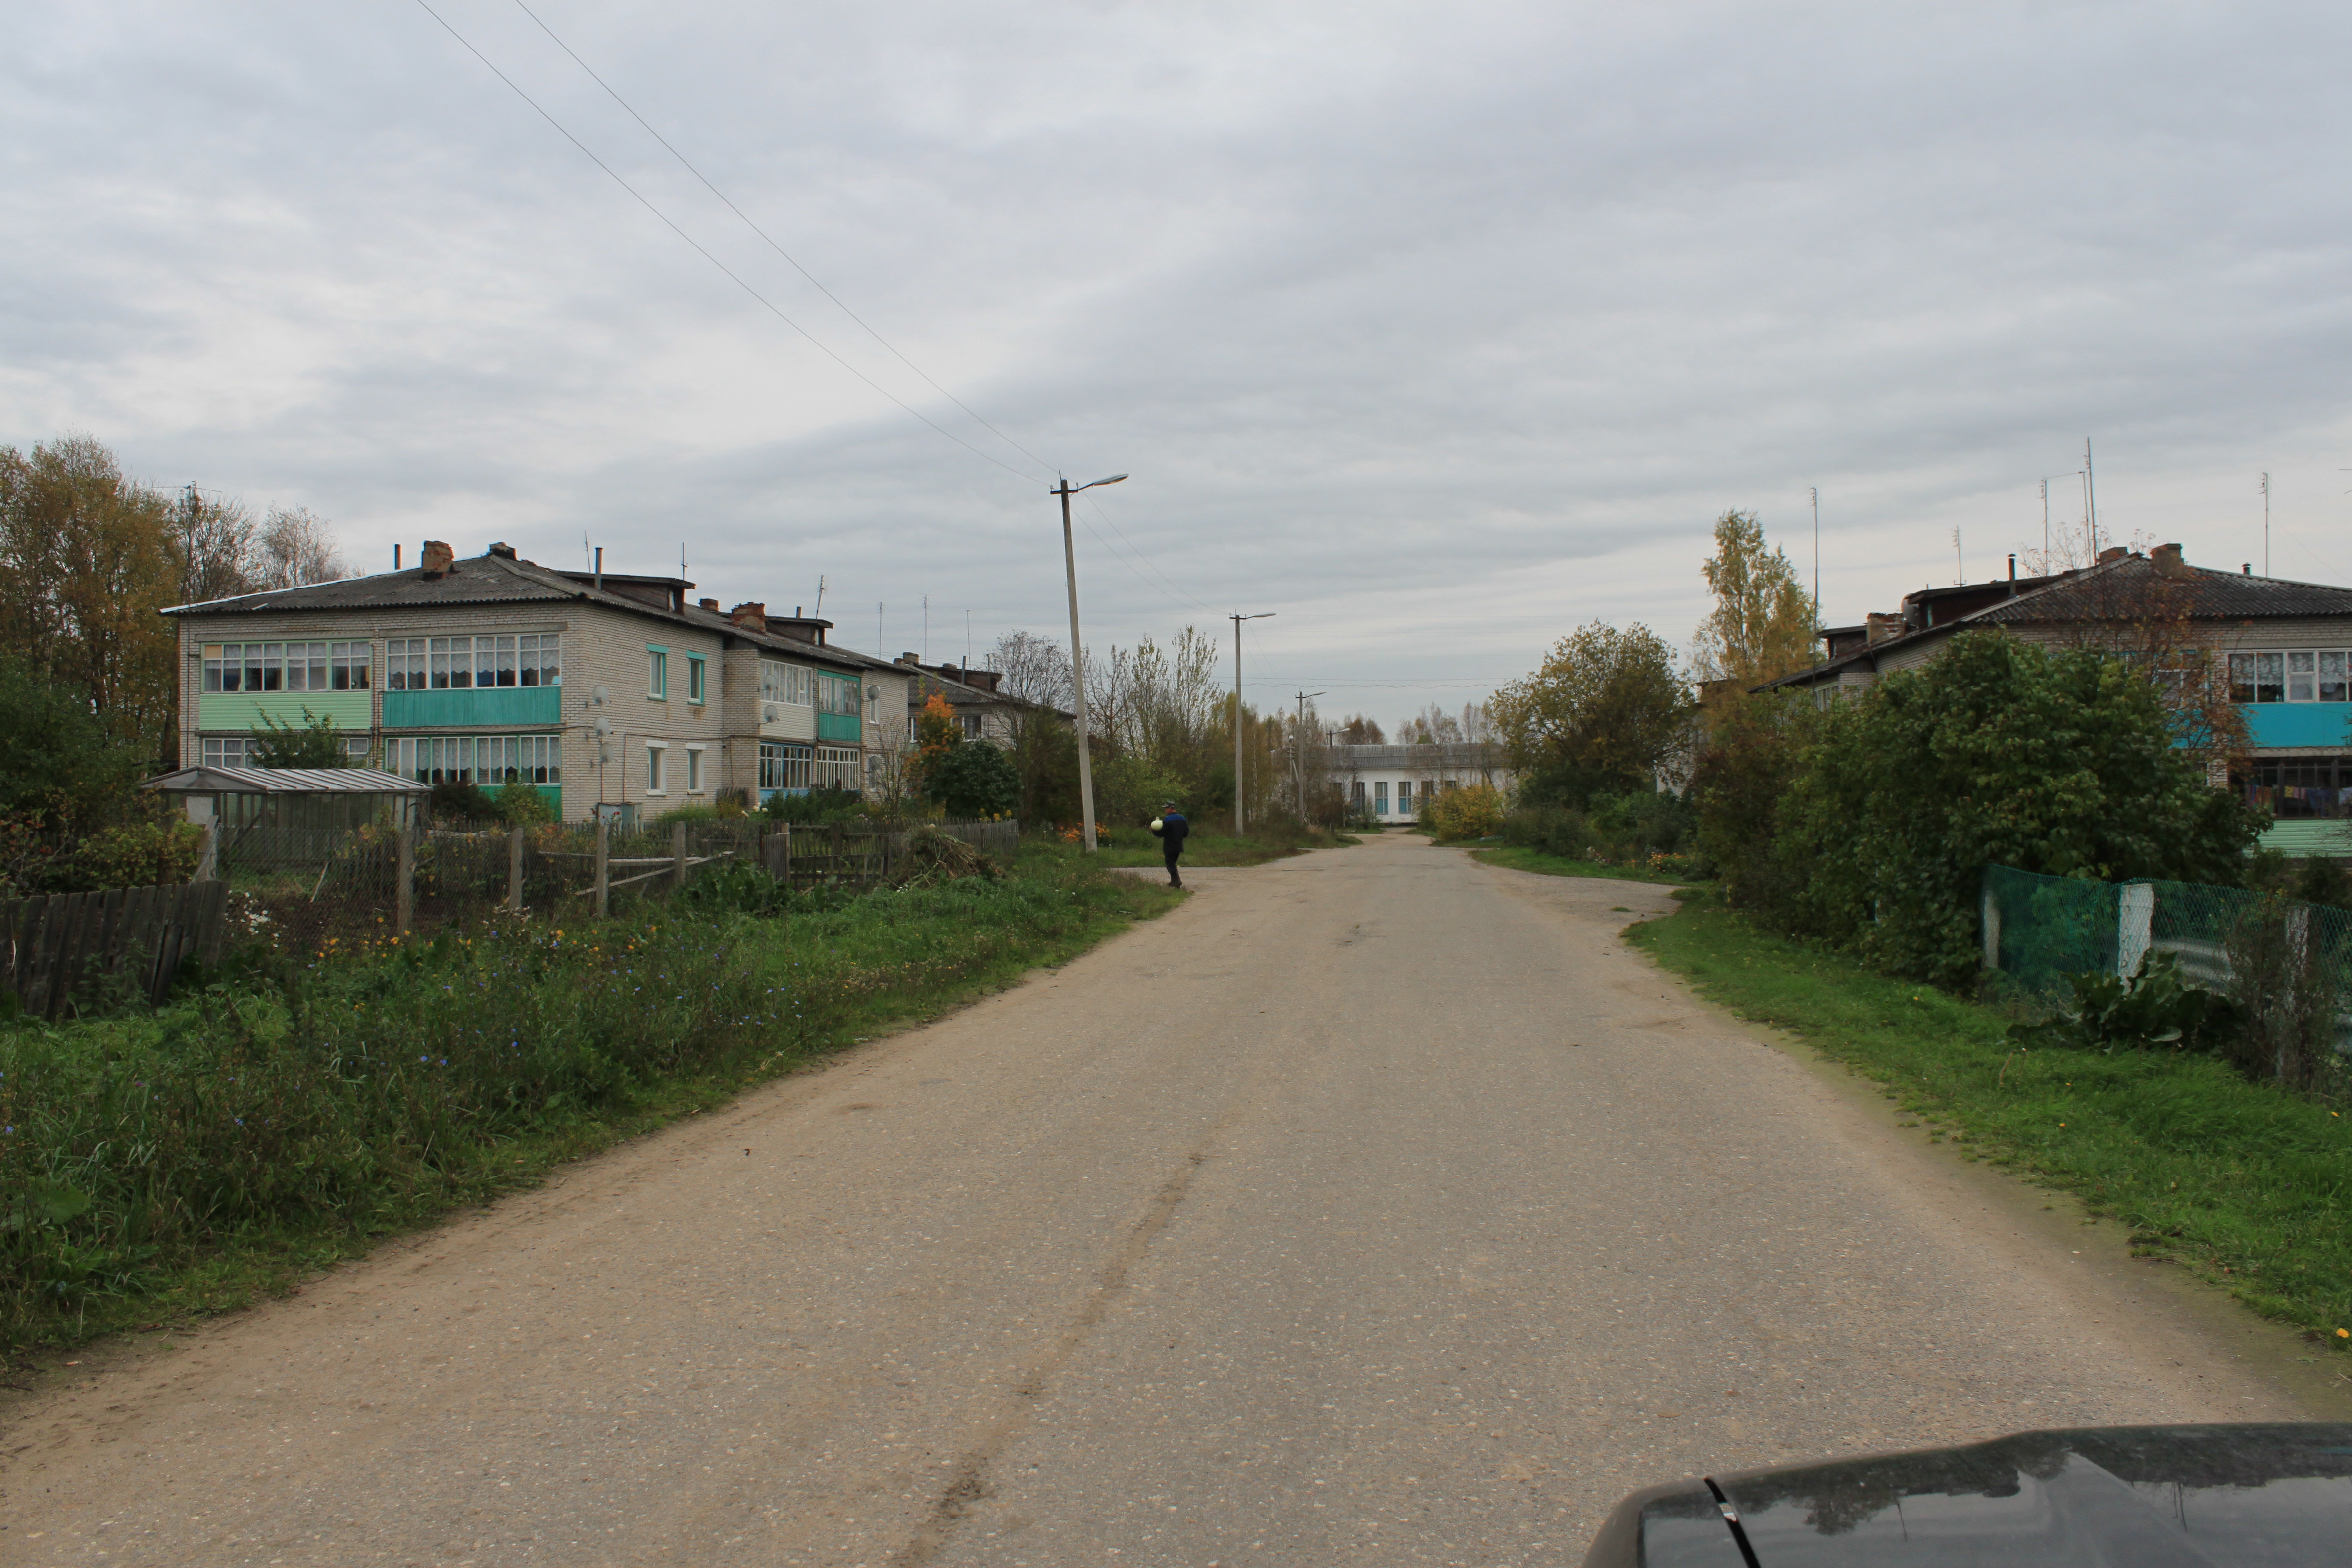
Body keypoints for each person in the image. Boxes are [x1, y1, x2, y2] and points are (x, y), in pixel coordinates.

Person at [1149, 801, 1189, 887]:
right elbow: (1186, 834)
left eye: (1166, 808)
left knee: (1170, 864)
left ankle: (1177, 881)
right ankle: (1173, 881)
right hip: (1179, 845)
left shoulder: (1167, 820)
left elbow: (1163, 833)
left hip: (1169, 845)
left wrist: (1154, 831)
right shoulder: (1183, 819)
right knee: (1173, 863)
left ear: (1170, 808)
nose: (1165, 810)